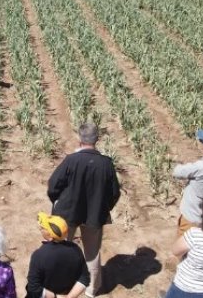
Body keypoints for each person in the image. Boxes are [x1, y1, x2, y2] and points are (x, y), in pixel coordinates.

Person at [47, 123, 120, 298]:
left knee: (62, 249)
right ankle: (91, 289)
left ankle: (62, 285)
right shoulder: (106, 163)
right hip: (94, 215)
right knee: (92, 253)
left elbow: (53, 185)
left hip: (67, 213)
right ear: (97, 140)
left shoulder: (71, 160)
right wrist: (103, 208)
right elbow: (114, 193)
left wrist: (56, 202)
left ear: (80, 139)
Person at [26, 213, 90, 298]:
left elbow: (33, 288)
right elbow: (84, 278)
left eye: (43, 228)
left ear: (50, 236)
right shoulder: (76, 249)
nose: (40, 229)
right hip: (66, 292)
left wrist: (56, 297)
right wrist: (69, 297)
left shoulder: (39, 255)